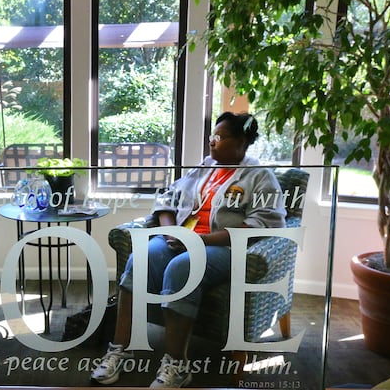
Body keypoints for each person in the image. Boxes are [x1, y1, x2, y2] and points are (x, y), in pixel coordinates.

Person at [90, 111, 286, 388]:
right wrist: (172, 231)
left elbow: (264, 222)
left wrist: (199, 241)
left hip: (222, 247)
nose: (212, 142)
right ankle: (119, 350)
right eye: (211, 137)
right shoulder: (205, 167)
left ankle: (177, 365)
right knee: (140, 258)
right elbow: (168, 199)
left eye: (220, 137)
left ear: (242, 142)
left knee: (183, 267)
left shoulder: (259, 176)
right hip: (181, 238)